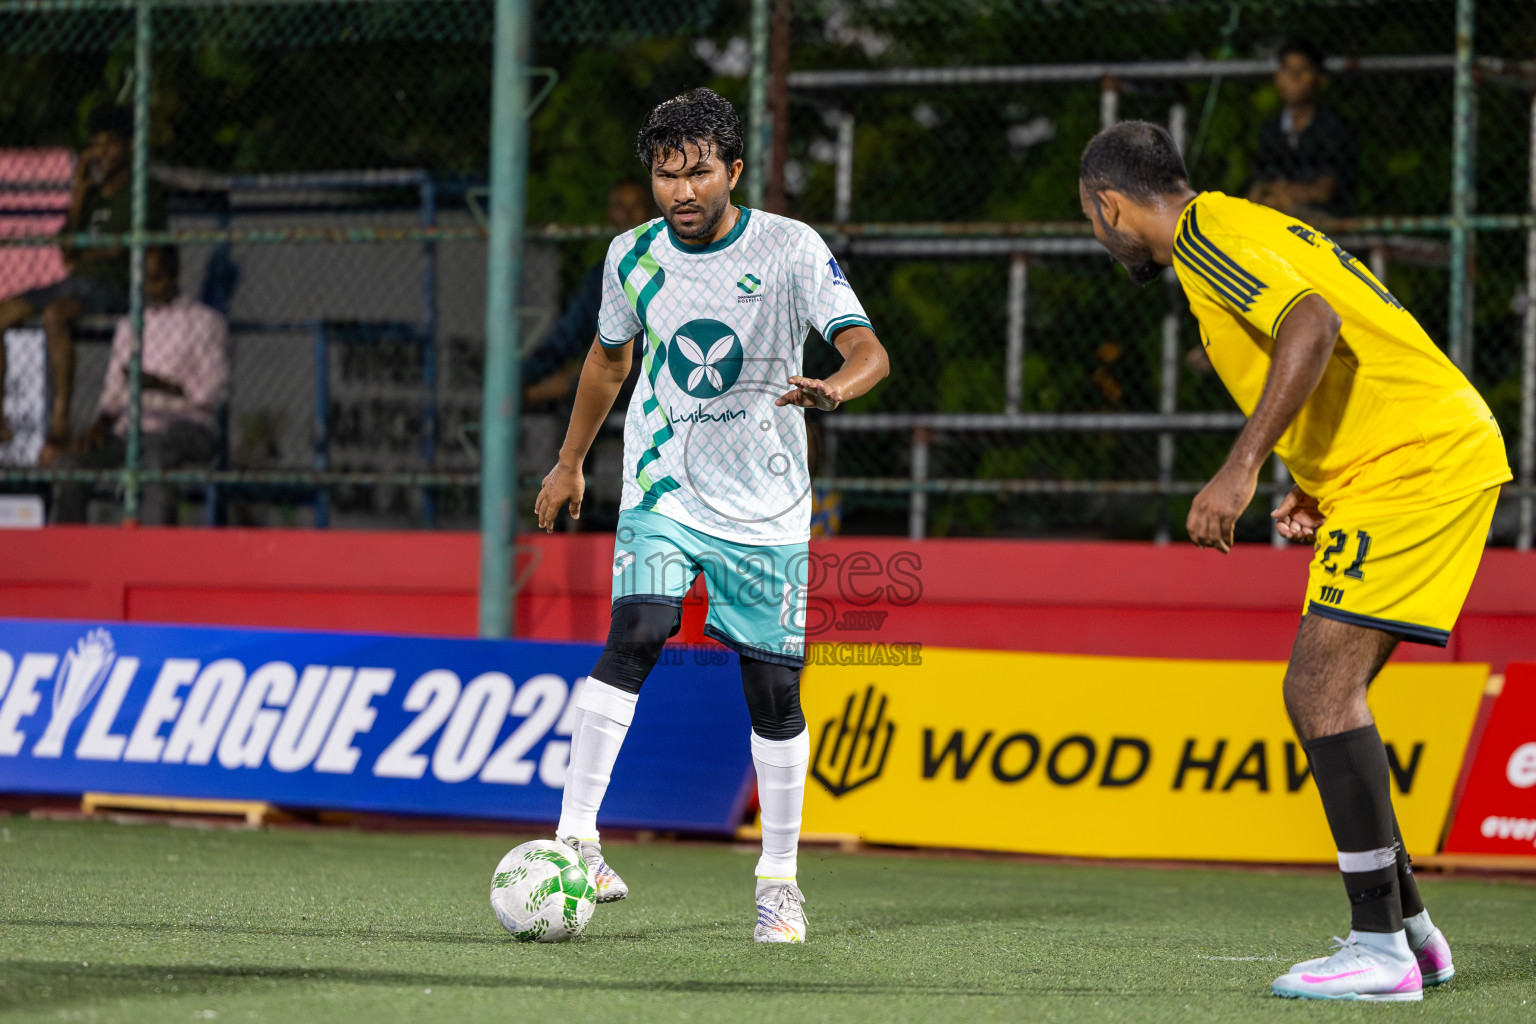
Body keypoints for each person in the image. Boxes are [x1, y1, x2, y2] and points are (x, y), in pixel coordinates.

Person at [1078, 121, 1509, 1002]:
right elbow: (1343, 332)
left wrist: (1239, 471)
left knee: (1317, 690)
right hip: (1403, 461)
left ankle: (1379, 949)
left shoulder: (1203, 242)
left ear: (1111, 204)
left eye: (1091, 218)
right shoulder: (1244, 223)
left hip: (1414, 465)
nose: (1098, 233)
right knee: (1332, 694)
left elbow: (1310, 324)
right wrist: (1313, 474)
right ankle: (1414, 933)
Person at [534, 87, 889, 943]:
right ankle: (574, 837)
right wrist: (571, 461)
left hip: (767, 506)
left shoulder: (790, 247)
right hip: (665, 488)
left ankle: (778, 882)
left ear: (733, 171)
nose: (680, 193)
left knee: (773, 692)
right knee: (641, 628)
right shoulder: (631, 257)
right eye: (665, 176)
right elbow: (608, 364)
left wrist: (834, 388)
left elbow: (867, 350)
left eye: (697, 174)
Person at [0, 105, 167, 446]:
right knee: (3, 313)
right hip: (74, 282)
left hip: (112, 284)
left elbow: (119, 250)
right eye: (96, 144)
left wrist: (85, 249)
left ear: (128, 146)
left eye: (109, 144)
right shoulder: (91, 194)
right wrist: (77, 193)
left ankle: (59, 420)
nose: (101, 152)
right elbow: (66, 251)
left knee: (55, 314)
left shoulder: (141, 191)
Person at [47, 245, 227, 525]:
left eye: (157, 279)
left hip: (185, 426)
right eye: (143, 280)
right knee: (73, 463)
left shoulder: (204, 322)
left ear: (174, 274)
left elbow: (213, 391)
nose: (150, 289)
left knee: (158, 455)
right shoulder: (129, 324)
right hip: (130, 428)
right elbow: (114, 389)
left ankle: (151, 552)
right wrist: (101, 422)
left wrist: (160, 385)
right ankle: (68, 553)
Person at [522, 182, 655, 408]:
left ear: (652, 213)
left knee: (579, 385)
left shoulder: (670, 264)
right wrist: (524, 376)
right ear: (610, 216)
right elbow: (569, 334)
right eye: (620, 207)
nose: (629, 215)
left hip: (658, 372)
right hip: (614, 373)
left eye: (637, 206)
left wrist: (572, 378)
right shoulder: (601, 276)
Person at [1247, 38, 1357, 219]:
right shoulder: (1270, 129)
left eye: (1302, 70)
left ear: (1319, 78)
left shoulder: (1333, 127)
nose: (1293, 78)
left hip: (1321, 216)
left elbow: (1325, 191)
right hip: (1276, 209)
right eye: (1287, 70)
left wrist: (1285, 195)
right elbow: (1260, 184)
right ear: (1277, 78)